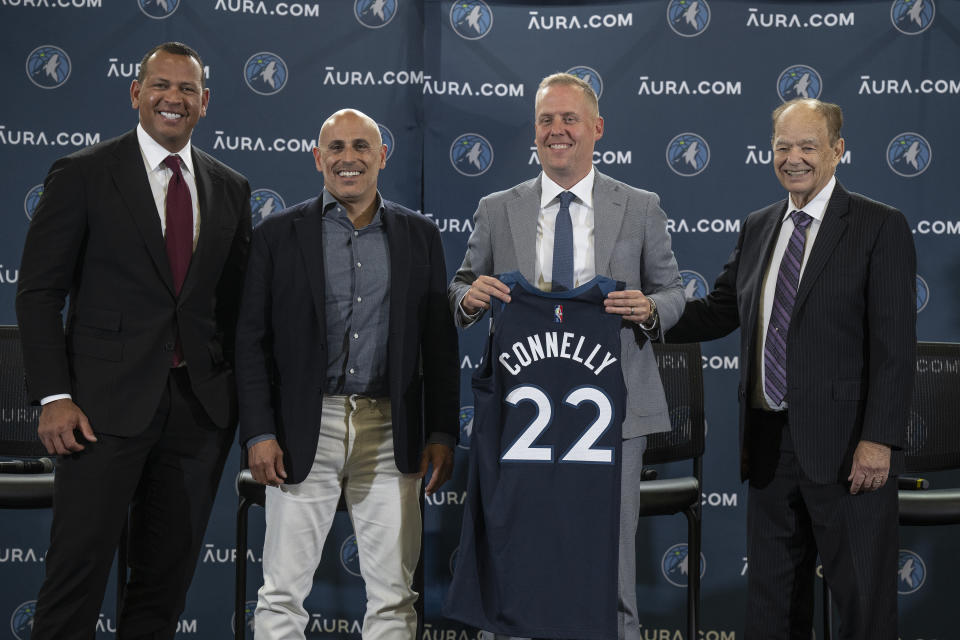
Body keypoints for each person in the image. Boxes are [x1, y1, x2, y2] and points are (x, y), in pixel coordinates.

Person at [15, 42, 252, 638]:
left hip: (198, 416)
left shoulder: (231, 188)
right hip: (98, 411)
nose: (174, 97)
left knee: (162, 589)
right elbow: (39, 294)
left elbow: (235, 309)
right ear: (136, 93)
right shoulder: (84, 174)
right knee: (75, 579)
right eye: (161, 85)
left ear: (204, 103)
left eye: (187, 89)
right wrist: (51, 397)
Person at [666, 98, 915, 640]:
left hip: (849, 448)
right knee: (772, 607)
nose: (794, 158)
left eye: (808, 146)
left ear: (837, 151)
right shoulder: (759, 226)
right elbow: (718, 310)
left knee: (864, 608)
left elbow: (895, 349)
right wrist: (647, 315)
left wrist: (879, 440)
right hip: (770, 446)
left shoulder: (879, 226)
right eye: (783, 146)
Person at [447, 73, 685, 640]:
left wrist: (648, 309)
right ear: (534, 132)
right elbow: (458, 286)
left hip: (614, 414)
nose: (557, 131)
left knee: (609, 562)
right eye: (546, 121)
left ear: (596, 128)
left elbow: (676, 293)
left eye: (569, 119)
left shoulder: (641, 206)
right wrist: (469, 299)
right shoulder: (498, 207)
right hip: (520, 415)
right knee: (516, 555)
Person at [235, 108, 459, 639]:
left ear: (382, 156)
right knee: (281, 594)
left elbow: (440, 344)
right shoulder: (275, 235)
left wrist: (442, 431)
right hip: (301, 427)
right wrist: (260, 432)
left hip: (390, 427)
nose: (348, 158)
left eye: (361, 146)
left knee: (394, 597)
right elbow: (250, 343)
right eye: (336, 148)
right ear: (318, 159)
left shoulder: (420, 235)